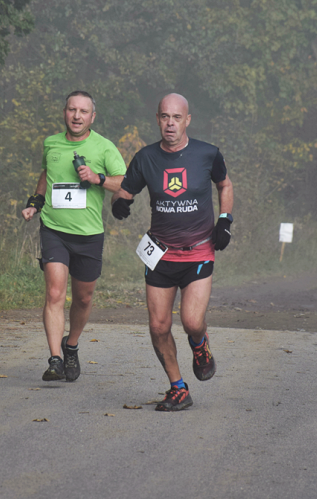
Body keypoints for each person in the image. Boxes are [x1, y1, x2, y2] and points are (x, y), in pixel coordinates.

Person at [111, 93, 233, 412]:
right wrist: (120, 203)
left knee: (192, 321)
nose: (170, 123)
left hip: (198, 251)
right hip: (160, 255)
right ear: (157, 119)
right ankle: (178, 388)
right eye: (165, 117)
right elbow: (126, 190)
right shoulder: (146, 157)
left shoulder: (208, 154)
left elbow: (225, 185)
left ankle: (199, 345)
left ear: (187, 120)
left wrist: (225, 220)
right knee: (158, 326)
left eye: (176, 118)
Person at [21, 91, 126, 382]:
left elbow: (125, 182)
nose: (77, 116)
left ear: (92, 117)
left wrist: (97, 178)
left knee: (83, 298)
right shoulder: (51, 143)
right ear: (64, 112)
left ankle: (71, 346)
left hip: (89, 234)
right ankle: (54, 359)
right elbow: (47, 174)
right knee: (55, 293)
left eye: (83, 111)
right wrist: (35, 203)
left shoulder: (104, 147)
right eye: (72, 109)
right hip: (54, 230)